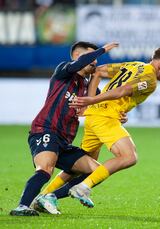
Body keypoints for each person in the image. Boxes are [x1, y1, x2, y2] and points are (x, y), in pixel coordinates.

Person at [35, 45, 160, 211]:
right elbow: (123, 90)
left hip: (95, 117)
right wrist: (90, 100)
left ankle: (42, 196)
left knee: (79, 166)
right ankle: (81, 188)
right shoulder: (149, 79)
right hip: (105, 118)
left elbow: (98, 71)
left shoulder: (134, 65)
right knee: (129, 157)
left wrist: (92, 102)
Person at [9, 41, 119, 216]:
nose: (95, 63)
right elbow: (80, 64)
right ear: (78, 57)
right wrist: (103, 50)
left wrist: (118, 115)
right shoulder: (64, 71)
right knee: (45, 168)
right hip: (45, 129)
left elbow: (104, 106)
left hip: (65, 141)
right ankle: (22, 206)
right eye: (92, 59)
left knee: (97, 171)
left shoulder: (89, 88)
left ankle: (48, 197)